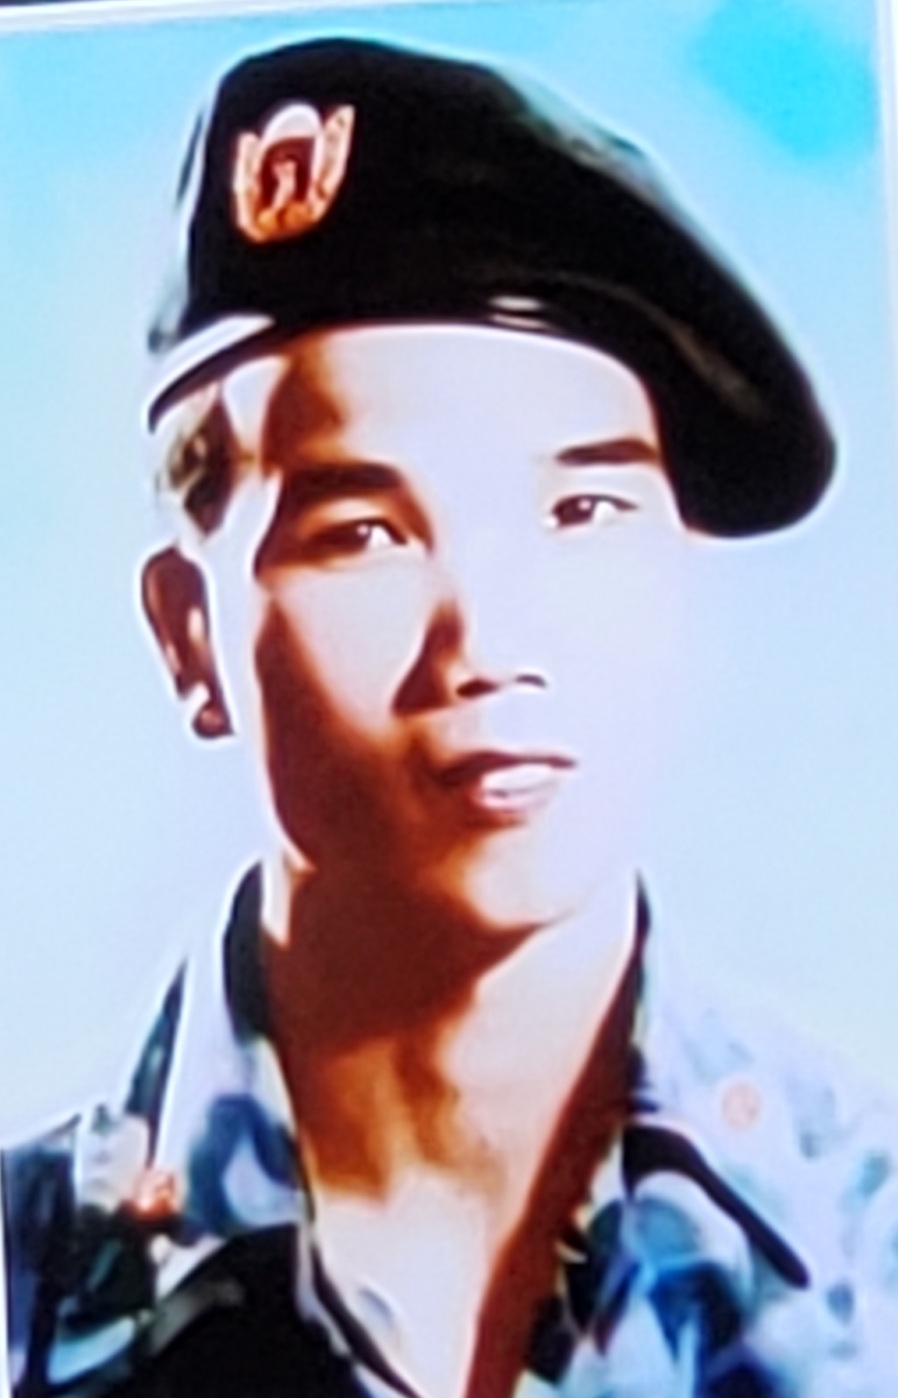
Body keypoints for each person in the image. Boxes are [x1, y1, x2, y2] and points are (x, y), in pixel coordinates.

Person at [3, 33, 898, 1398]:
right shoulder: (25, 1289)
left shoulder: (866, 1257)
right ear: (189, 637)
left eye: (582, 509)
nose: (488, 644)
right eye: (363, 532)